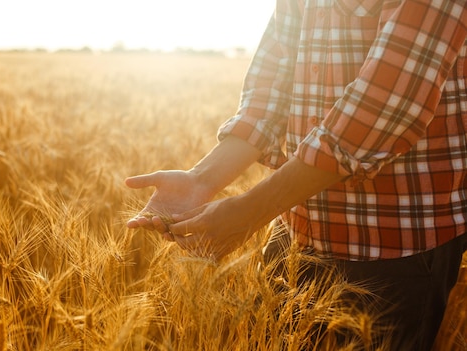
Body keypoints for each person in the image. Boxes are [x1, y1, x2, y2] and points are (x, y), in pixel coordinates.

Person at [125, 0, 467, 349]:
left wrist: (249, 213)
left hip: (392, 245)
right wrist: (202, 179)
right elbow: (271, 88)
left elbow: (386, 102)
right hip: (294, 230)